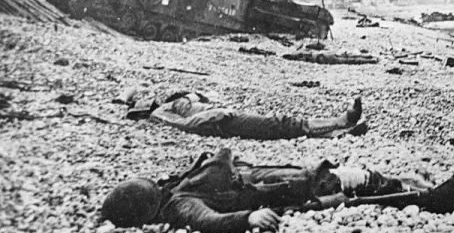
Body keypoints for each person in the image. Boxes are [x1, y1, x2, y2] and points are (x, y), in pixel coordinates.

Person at [101, 147, 454, 233]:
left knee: (343, 180)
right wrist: (249, 218)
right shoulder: (180, 206)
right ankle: (430, 201)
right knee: (346, 192)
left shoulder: (174, 193)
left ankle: (417, 191)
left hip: (270, 183)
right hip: (275, 198)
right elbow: (210, 220)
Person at [143, 92, 366, 140]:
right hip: (223, 122)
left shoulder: (171, 103)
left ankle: (337, 132)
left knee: (278, 125)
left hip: (223, 115)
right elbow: (186, 124)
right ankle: (340, 122)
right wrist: (216, 114)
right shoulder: (161, 112)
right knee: (276, 122)